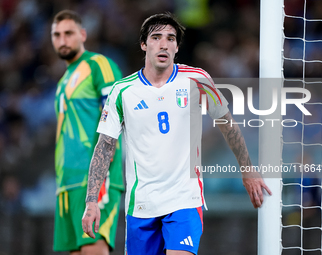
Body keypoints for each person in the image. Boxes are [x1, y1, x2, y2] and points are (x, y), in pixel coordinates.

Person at [82, 12, 271, 255]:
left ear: (177, 47)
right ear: (143, 44)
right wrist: (91, 201)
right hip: (141, 205)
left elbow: (227, 124)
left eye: (171, 38)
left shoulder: (197, 79)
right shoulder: (122, 91)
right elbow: (104, 146)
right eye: (156, 37)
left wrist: (247, 169)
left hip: (185, 201)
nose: (164, 43)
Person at [51, 10, 124, 255]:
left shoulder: (97, 64)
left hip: (93, 180)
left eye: (69, 33)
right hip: (66, 183)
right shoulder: (63, 81)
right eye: (57, 35)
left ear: (83, 34)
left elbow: (115, 112)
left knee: (94, 249)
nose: (63, 40)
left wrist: (101, 174)